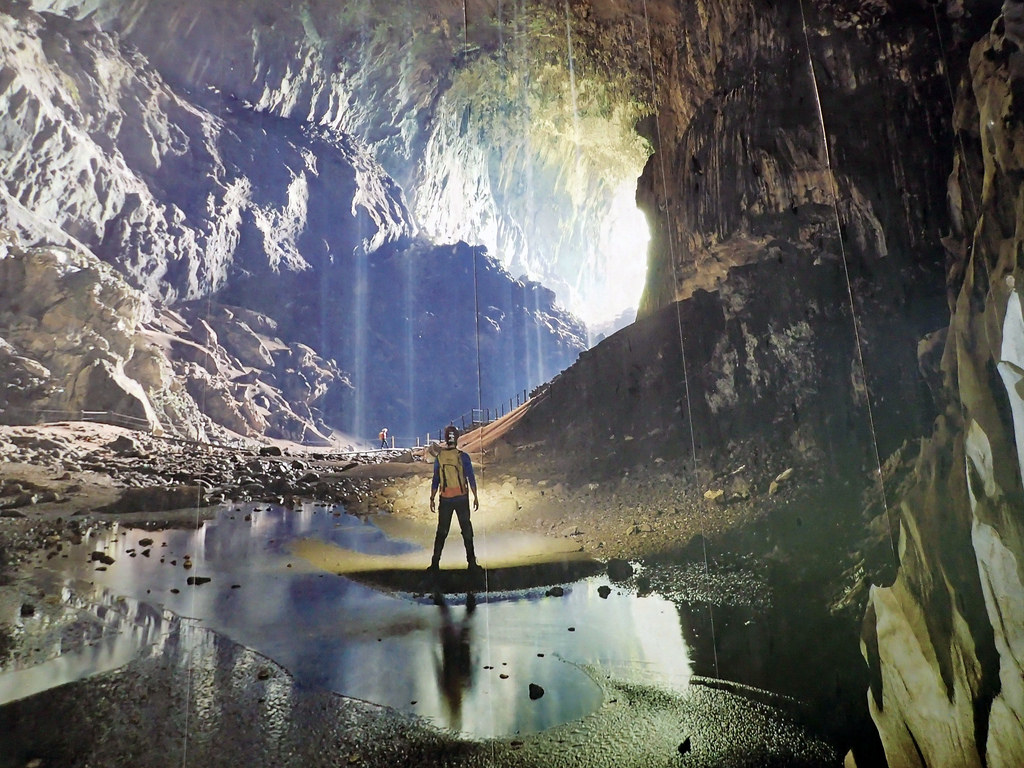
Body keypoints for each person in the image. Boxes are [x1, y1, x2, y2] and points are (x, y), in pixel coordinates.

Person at [428, 425, 480, 573]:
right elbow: (470, 477)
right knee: (466, 529)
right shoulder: (463, 457)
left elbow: (436, 479)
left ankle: (435, 564)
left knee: (441, 532)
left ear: (445, 438)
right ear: (457, 438)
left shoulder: (440, 458)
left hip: (445, 499)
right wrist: (475, 496)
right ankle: (472, 563)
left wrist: (432, 497)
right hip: (461, 498)